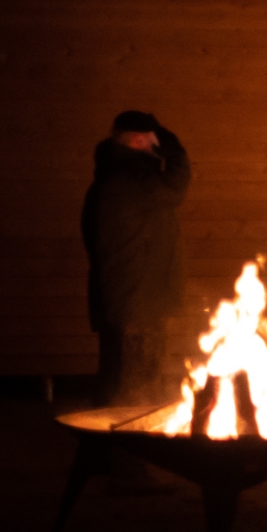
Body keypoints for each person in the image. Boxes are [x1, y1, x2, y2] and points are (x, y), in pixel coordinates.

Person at [82, 110, 192, 407]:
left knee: (115, 378)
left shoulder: (109, 180)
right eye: (154, 139)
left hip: (124, 299)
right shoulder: (132, 181)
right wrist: (171, 144)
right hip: (139, 303)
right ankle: (124, 450)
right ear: (139, 140)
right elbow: (177, 182)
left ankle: (100, 449)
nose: (159, 145)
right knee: (136, 387)